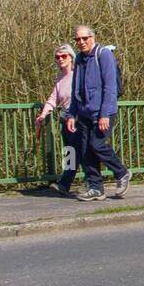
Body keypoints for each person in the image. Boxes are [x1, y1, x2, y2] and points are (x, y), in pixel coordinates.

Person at [65, 25, 131, 200]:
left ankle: (122, 172)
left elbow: (110, 87)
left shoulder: (104, 55)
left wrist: (104, 114)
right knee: (86, 150)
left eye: (84, 38)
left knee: (97, 145)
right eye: (78, 39)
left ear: (92, 38)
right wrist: (71, 114)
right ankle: (95, 187)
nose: (81, 42)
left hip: (102, 112)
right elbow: (75, 90)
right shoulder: (79, 59)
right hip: (84, 112)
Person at [35, 44, 81, 196]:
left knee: (85, 151)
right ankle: (65, 184)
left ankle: (116, 172)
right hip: (65, 118)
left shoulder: (78, 74)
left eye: (64, 56)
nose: (60, 59)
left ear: (71, 57)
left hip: (78, 118)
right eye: (57, 57)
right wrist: (43, 115)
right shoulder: (60, 77)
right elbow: (53, 99)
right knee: (70, 152)